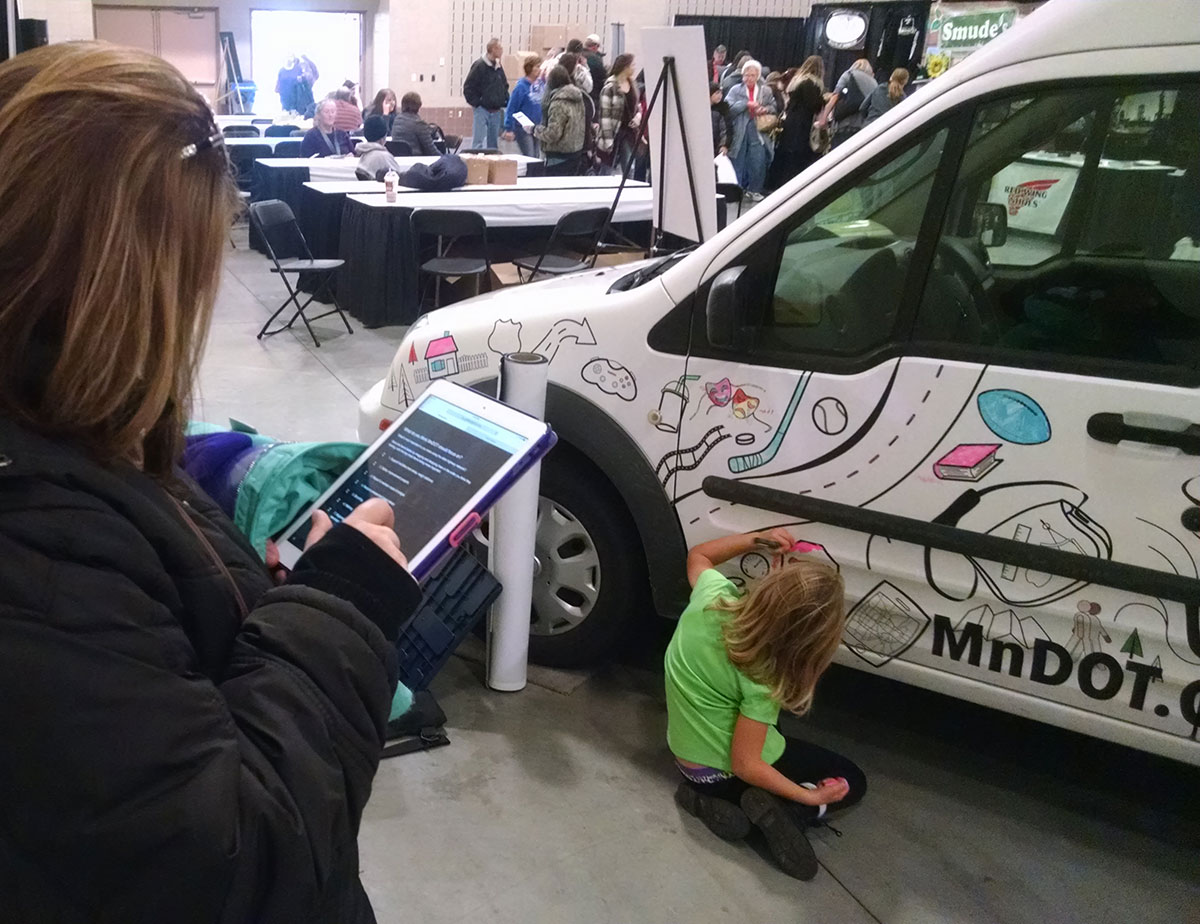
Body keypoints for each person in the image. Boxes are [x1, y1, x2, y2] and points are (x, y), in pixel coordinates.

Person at [0, 41, 422, 922]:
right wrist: (338, 605)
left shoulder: (73, 438)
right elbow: (235, 867)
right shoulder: (38, 550)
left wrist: (257, 595)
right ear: (110, 286)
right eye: (186, 275)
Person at [666, 529, 866, 880]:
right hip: (728, 774)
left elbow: (699, 556)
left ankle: (704, 801)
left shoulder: (713, 597)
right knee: (851, 779)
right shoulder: (763, 676)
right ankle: (793, 812)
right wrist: (809, 797)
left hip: (688, 762)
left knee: (756, 729)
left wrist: (757, 539)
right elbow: (746, 764)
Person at [768, 55, 826, 190]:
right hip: (801, 125)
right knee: (797, 156)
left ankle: (776, 184)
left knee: (785, 154)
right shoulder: (811, 84)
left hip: (791, 122)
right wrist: (824, 101)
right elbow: (814, 104)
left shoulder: (798, 81)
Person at [725, 59, 777, 200]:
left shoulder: (766, 91)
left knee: (758, 159)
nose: (749, 78)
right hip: (740, 130)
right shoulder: (735, 90)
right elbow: (728, 108)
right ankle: (737, 190)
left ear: (758, 75)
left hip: (758, 130)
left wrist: (764, 109)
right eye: (746, 75)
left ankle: (754, 190)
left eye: (752, 75)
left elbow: (774, 107)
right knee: (738, 159)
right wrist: (746, 104)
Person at [535, 65, 587, 176]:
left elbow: (553, 134)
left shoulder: (558, 103)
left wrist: (535, 129)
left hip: (559, 156)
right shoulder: (578, 98)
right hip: (576, 152)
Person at [463, 37, 509, 149]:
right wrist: (477, 103)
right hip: (482, 109)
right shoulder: (479, 66)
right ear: (493, 49)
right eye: (500, 48)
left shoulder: (498, 67)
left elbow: (504, 85)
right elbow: (468, 87)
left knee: (493, 145)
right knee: (478, 142)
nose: (502, 51)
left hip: (496, 110)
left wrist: (504, 99)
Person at [598, 53, 641, 173]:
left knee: (629, 168)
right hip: (614, 133)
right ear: (625, 67)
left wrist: (638, 117)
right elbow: (604, 117)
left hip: (629, 133)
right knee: (607, 169)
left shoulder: (633, 85)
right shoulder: (609, 88)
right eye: (632, 65)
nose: (634, 67)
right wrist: (608, 141)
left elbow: (637, 107)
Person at [822, 58, 876, 146]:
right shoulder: (874, 83)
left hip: (845, 125)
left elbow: (835, 96)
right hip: (863, 128)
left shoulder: (849, 74)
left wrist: (824, 118)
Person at [503, 54, 544, 158]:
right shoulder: (521, 87)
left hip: (537, 126)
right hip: (523, 128)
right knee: (529, 155)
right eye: (537, 66)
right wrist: (509, 128)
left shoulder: (540, 86)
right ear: (530, 68)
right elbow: (512, 108)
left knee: (536, 156)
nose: (540, 69)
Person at [391, 91, 440, 156]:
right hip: (415, 160)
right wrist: (446, 158)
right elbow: (431, 150)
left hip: (398, 159)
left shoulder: (397, 119)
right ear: (418, 105)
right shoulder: (419, 124)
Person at [583, 34, 606, 106]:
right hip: (594, 97)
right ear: (595, 47)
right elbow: (602, 77)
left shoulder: (578, 56)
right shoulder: (596, 60)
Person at [711, 81, 731, 155]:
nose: (720, 96)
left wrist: (724, 145)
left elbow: (726, 129)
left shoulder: (723, 109)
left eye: (720, 93)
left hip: (717, 147)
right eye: (717, 93)